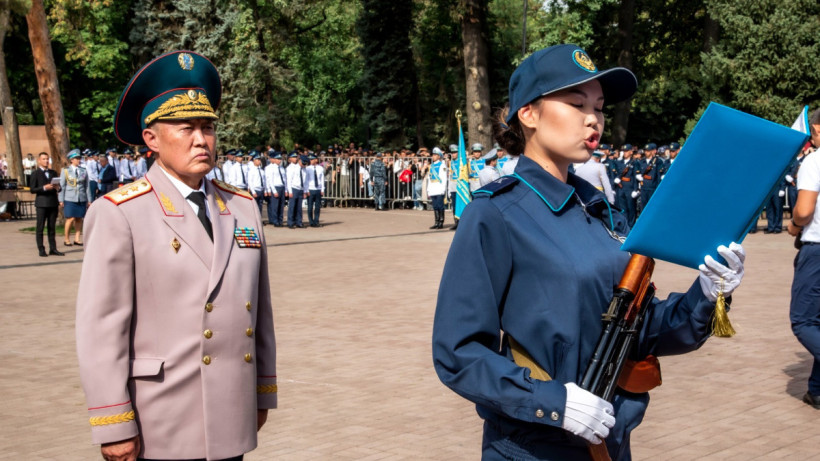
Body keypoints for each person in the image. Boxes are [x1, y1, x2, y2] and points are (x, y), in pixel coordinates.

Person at [431, 44, 746, 461]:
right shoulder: (496, 213)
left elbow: (640, 326)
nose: (592, 118)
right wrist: (550, 401)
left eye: (598, 106)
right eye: (577, 103)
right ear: (527, 113)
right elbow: (459, 352)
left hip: (609, 443)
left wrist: (705, 296)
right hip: (533, 446)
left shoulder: (599, 208)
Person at [75, 50, 277, 461]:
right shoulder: (120, 213)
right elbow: (101, 330)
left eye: (208, 128)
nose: (201, 140)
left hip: (231, 411)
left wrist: (261, 391)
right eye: (186, 128)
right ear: (151, 138)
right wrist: (114, 423)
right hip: (161, 418)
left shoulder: (242, 207)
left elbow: (260, 312)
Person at [787, 108, 820, 409]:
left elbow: (804, 210)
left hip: (817, 249)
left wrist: (794, 225)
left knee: (804, 320)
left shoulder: (814, 160)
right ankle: (817, 389)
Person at [30, 152, 64, 257]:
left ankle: (53, 249)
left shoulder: (53, 172)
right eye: (44, 159)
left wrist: (58, 188)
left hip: (53, 203)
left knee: (51, 227)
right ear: (39, 160)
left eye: (47, 159)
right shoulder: (35, 173)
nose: (46, 161)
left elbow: (59, 187)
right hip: (41, 203)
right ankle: (41, 249)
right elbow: (32, 189)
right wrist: (44, 187)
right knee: (40, 227)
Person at [58, 149, 89, 246]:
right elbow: (62, 186)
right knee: (70, 219)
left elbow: (87, 186)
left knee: (79, 218)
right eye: (76, 158)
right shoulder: (65, 171)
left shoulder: (83, 170)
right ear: (71, 160)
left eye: (79, 158)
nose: (79, 160)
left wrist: (89, 199)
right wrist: (61, 199)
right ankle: (66, 239)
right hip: (70, 198)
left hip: (81, 197)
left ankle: (77, 238)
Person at [427, 147, 448, 229]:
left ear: (439, 156)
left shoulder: (442, 165)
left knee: (440, 206)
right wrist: (428, 189)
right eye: (433, 154)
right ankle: (436, 221)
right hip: (433, 188)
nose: (434, 156)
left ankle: (441, 222)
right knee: (435, 206)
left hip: (439, 188)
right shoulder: (431, 166)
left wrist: (443, 189)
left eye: (435, 155)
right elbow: (430, 178)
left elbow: (444, 178)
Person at [264, 151, 287, 226]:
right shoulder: (271, 168)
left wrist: (286, 189)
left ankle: (280, 220)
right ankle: (275, 221)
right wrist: (272, 190)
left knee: (281, 205)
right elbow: (270, 180)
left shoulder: (282, 168)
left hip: (282, 187)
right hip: (276, 187)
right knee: (275, 206)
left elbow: (284, 179)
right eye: (278, 159)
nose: (279, 160)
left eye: (280, 159)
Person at [286, 153, 307, 228]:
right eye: (302, 163)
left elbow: (305, 181)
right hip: (294, 188)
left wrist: (305, 191)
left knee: (299, 207)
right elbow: (289, 180)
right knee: (292, 206)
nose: (303, 165)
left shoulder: (304, 169)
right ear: (300, 161)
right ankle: (290, 222)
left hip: (300, 189)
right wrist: (290, 191)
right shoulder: (292, 168)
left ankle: (299, 222)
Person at [305, 154, 324, 227]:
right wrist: (306, 190)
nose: (311, 161)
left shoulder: (320, 168)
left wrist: (322, 189)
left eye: (312, 159)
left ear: (316, 160)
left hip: (318, 189)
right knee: (310, 207)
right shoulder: (307, 168)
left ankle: (316, 221)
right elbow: (306, 180)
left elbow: (322, 179)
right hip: (310, 188)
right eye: (310, 160)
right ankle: (311, 221)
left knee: (317, 206)